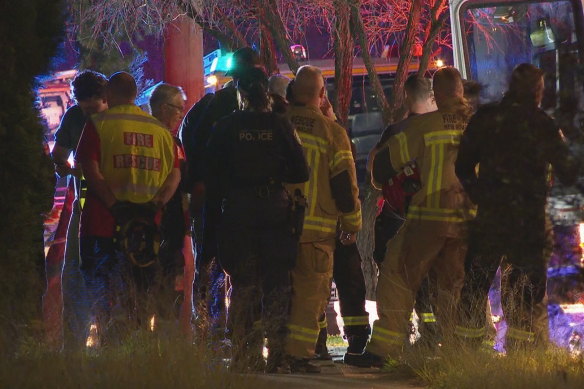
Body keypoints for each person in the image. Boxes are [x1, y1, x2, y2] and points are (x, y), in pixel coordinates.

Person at [350, 67, 475, 367]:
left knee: (396, 273)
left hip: (428, 218)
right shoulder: (478, 126)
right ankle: (459, 351)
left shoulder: (425, 126)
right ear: (462, 92)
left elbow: (383, 168)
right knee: (455, 284)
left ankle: (383, 349)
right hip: (469, 221)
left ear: (437, 95)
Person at [454, 63, 580, 350]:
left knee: (475, 284)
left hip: (490, 216)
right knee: (525, 290)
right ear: (537, 90)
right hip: (528, 220)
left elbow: (461, 166)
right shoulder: (542, 123)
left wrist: (480, 195)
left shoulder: (486, 118)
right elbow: (568, 172)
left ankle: (466, 350)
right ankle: (521, 353)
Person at [204, 67, 309, 372]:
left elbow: (211, 173)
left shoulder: (225, 126)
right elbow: (301, 172)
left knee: (243, 283)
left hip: (238, 210)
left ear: (240, 94)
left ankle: (244, 355)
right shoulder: (281, 126)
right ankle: (277, 355)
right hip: (274, 209)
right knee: (277, 283)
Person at [75, 72, 180, 345]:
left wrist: (114, 205)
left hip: (103, 225)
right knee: (141, 295)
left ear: (108, 94)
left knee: (103, 294)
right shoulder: (160, 131)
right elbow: (174, 175)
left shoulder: (98, 125)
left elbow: (90, 169)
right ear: (135, 95)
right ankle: (139, 349)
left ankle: (112, 349)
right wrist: (157, 204)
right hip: (146, 230)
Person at [284, 65, 362, 373]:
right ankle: (298, 355)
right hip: (316, 232)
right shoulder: (332, 132)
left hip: (276, 229)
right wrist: (352, 225)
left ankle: (272, 350)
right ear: (321, 94)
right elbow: (344, 184)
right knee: (309, 295)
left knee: (279, 291)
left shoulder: (278, 124)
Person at [180, 47, 262, 335]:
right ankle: (222, 325)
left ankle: (215, 325)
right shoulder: (262, 107)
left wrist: (197, 185)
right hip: (237, 199)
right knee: (229, 262)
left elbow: (188, 138)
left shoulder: (212, 106)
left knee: (214, 261)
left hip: (221, 197)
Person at [366, 75, 440, 350]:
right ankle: (436, 333)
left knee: (396, 273)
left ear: (408, 97)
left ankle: (400, 332)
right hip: (447, 217)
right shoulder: (454, 127)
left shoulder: (400, 131)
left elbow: (376, 175)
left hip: (401, 217)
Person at [50, 70, 108, 348]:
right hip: (85, 203)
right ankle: (73, 348)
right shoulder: (74, 116)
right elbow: (58, 156)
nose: (89, 115)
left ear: (105, 98)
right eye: (84, 109)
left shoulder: (111, 118)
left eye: (93, 108)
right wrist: (74, 170)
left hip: (108, 205)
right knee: (74, 272)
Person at [148, 83, 191, 325]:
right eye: (178, 109)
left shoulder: (167, 139)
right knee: (164, 285)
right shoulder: (164, 139)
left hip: (162, 224)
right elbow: (176, 178)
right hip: (163, 222)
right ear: (163, 108)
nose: (180, 114)